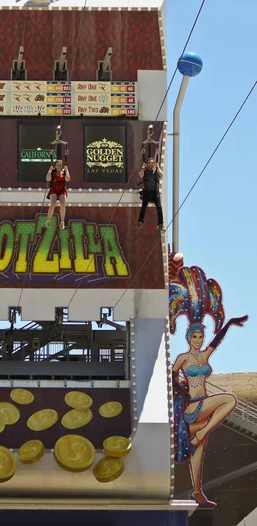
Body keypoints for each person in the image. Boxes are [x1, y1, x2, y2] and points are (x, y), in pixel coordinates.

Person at [170, 265, 248, 507]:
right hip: (193, 407)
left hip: (202, 411)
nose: (198, 340)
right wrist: (179, 385)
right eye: (195, 337)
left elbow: (218, 338)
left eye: (200, 337)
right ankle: (202, 433)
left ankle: (196, 491)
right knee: (229, 400)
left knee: (199, 452)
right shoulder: (183, 359)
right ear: (188, 338)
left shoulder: (203, 357)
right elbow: (170, 378)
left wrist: (231, 322)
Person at [137, 157, 164, 230]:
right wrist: (143, 168)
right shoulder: (145, 171)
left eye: (152, 163)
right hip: (147, 191)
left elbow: (162, 175)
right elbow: (140, 175)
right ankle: (140, 222)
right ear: (147, 164)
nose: (150, 164)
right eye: (149, 163)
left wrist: (158, 168)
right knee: (144, 207)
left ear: (154, 164)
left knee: (159, 207)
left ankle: (160, 223)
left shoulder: (156, 171)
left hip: (155, 192)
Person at [46, 159, 70, 229]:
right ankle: (48, 220)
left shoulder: (64, 172)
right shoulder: (53, 172)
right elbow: (48, 179)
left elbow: (68, 179)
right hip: (54, 189)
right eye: (57, 165)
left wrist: (67, 170)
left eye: (60, 165)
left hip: (62, 189)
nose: (59, 166)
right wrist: (49, 170)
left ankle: (62, 221)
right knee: (53, 202)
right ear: (55, 166)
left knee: (62, 203)